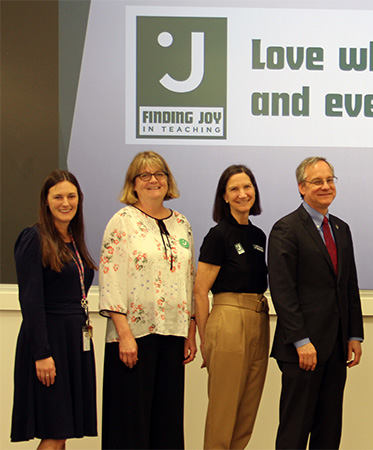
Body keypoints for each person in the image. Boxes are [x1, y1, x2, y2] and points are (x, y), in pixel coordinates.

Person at [99, 151, 197, 449]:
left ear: (168, 181)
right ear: (134, 183)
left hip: (173, 334)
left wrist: (190, 330)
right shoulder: (122, 222)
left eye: (159, 174)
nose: (153, 180)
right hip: (134, 337)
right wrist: (125, 334)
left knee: (166, 423)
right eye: (145, 175)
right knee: (131, 423)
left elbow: (189, 280)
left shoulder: (182, 224)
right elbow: (111, 278)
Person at [268, 156, 364, 449]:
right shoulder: (286, 229)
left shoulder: (341, 229)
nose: (325, 186)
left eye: (330, 180)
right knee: (295, 430)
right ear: (301, 187)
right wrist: (300, 340)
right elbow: (283, 291)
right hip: (303, 350)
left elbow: (348, 285)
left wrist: (354, 335)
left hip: (335, 348)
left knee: (329, 430)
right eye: (317, 181)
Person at [11, 169, 98, 449]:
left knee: (64, 429)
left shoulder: (74, 239)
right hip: (50, 345)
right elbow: (31, 299)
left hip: (75, 342)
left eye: (71, 196)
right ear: (46, 201)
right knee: (55, 430)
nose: (66, 202)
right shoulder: (34, 239)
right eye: (58, 196)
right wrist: (42, 353)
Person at [194, 165, 269, 449]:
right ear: (224, 197)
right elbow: (200, 292)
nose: (242, 194)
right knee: (223, 411)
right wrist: (205, 340)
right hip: (227, 320)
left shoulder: (259, 236)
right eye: (234, 189)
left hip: (258, 319)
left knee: (247, 410)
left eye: (247, 187)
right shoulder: (218, 235)